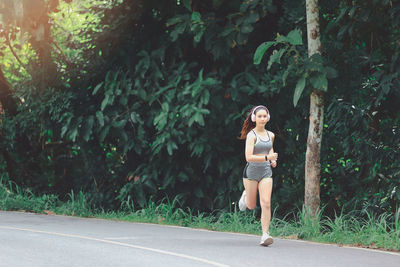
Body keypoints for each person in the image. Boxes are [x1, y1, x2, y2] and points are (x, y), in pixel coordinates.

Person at [238, 105, 278, 246]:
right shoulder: (251, 136)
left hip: (266, 172)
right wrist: (268, 157)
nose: (262, 118)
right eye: (259, 116)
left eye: (264, 116)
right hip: (251, 173)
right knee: (250, 205)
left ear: (268, 118)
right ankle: (245, 196)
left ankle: (265, 234)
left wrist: (272, 160)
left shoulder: (270, 135)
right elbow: (248, 157)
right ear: (254, 118)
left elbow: (269, 148)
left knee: (266, 202)